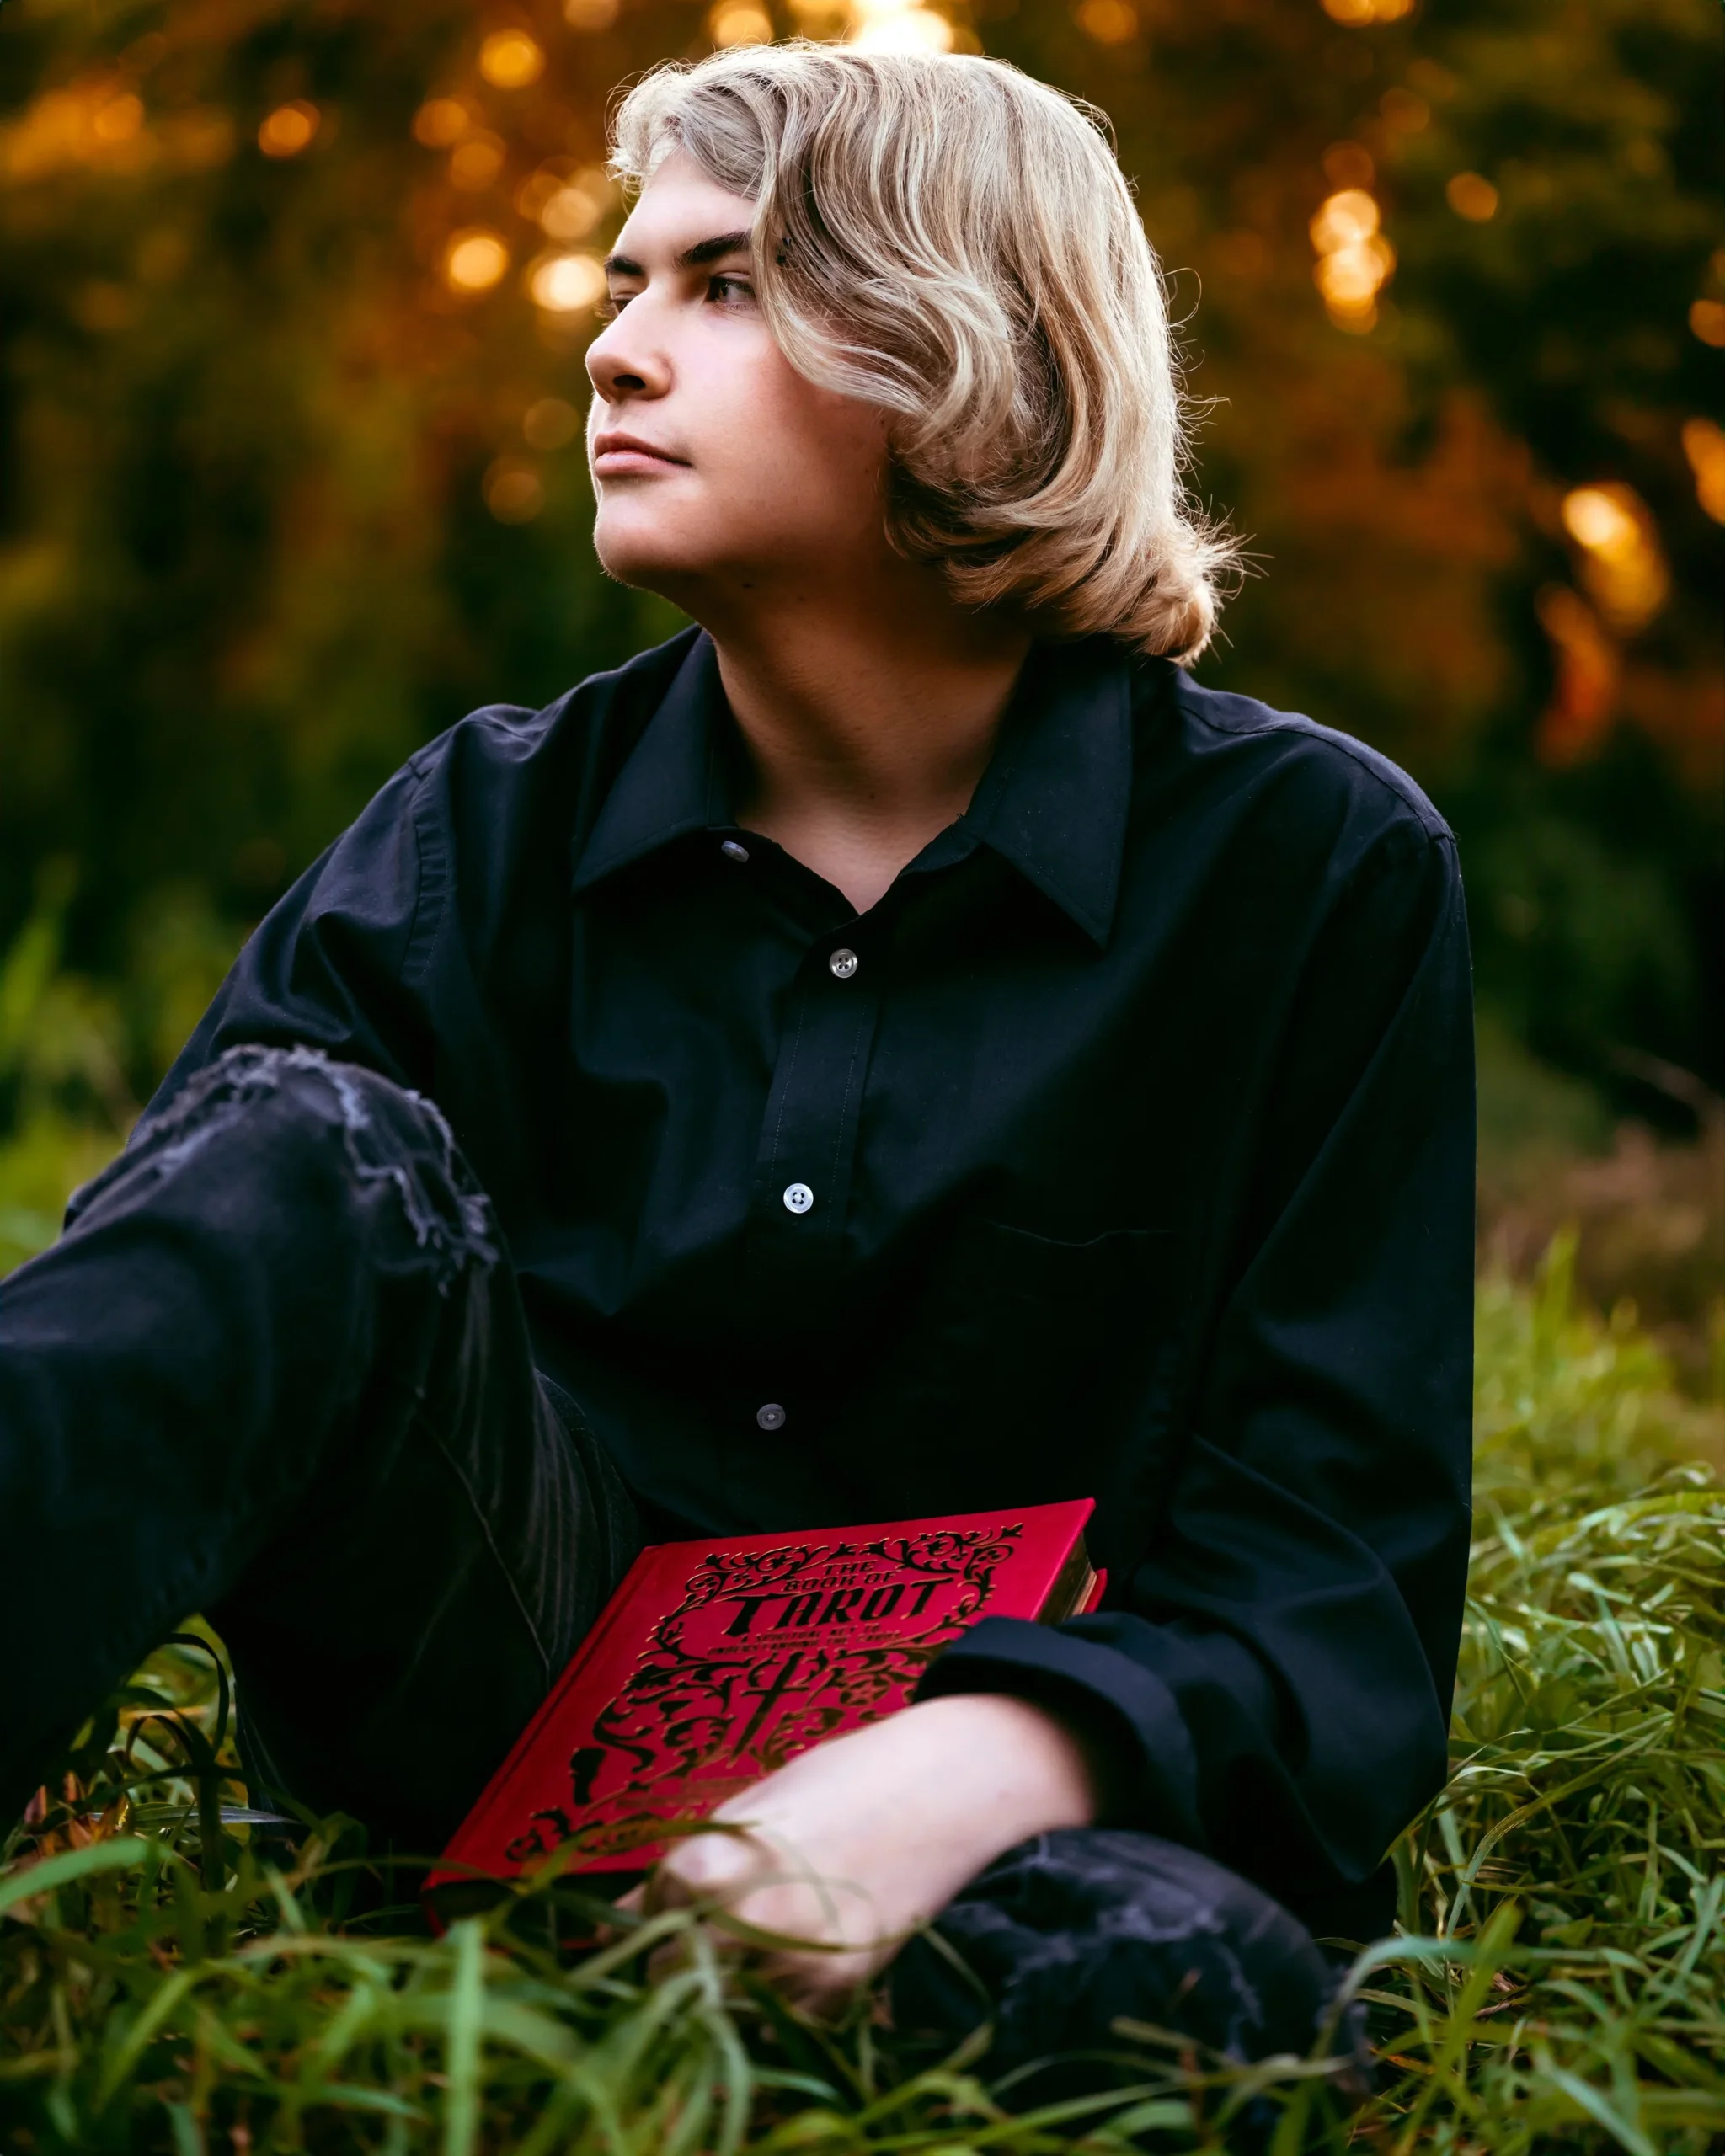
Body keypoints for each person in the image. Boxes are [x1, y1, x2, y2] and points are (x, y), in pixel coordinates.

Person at [0, 43, 1473, 2083]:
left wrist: (975, 1757)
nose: (611, 349)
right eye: (623, 282)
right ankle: (522, 1969)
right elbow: (193, 1325)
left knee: (1206, 2000)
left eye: (721, 283)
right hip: (479, 1715)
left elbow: (1330, 1561)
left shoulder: (1310, 873)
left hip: (983, 1814)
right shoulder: (476, 833)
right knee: (300, 1150)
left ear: (968, 347)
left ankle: (662, 2013)